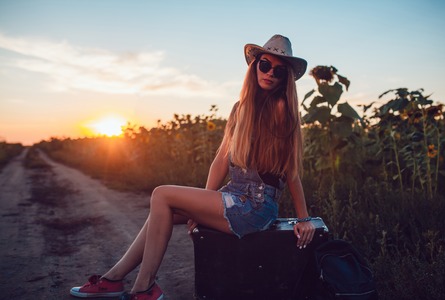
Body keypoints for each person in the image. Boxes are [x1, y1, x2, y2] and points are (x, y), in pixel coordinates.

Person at [70, 34, 316, 300]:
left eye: (279, 71)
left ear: (285, 79)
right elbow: (222, 159)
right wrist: (202, 204)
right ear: (255, 65)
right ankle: (113, 279)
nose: (270, 74)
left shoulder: (281, 109)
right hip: (232, 197)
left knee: (161, 194)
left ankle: (143, 288)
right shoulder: (240, 109)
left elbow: (291, 171)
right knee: (160, 212)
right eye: (265, 65)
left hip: (255, 206)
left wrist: (304, 219)